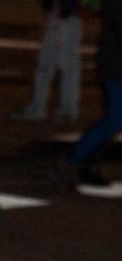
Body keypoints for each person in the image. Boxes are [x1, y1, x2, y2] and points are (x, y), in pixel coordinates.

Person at [60, 0, 121, 190]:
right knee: (114, 121)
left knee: (114, 121)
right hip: (116, 66)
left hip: (114, 62)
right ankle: (73, 163)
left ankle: (86, 165)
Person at [14, 0, 82, 122]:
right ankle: (66, 108)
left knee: (50, 66)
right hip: (66, 16)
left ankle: (43, 108)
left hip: (62, 17)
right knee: (66, 67)